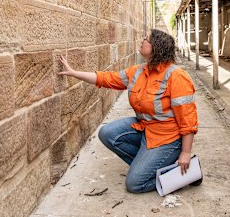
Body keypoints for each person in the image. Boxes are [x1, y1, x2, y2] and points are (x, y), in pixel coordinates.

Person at [58, 29, 199, 193]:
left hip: (167, 138)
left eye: (146, 38)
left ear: (156, 46)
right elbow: (107, 78)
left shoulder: (176, 76)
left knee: (135, 184)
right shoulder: (139, 71)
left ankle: (186, 174)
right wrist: (74, 73)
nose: (142, 40)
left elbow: (188, 121)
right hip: (145, 128)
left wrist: (186, 153)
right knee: (107, 133)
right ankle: (148, 165)